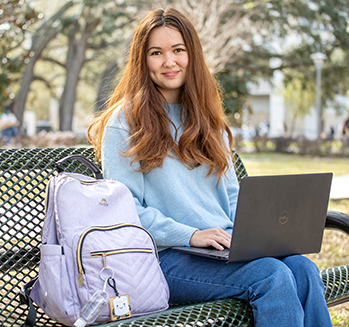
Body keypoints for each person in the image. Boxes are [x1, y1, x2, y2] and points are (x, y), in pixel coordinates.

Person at [88, 8, 332, 327]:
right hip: (163, 258)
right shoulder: (126, 121)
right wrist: (191, 235)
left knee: (304, 269)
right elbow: (126, 211)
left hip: (221, 251)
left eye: (178, 50)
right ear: (142, 60)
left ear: (192, 54)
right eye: (156, 53)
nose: (169, 62)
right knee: (272, 277)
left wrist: (258, 235)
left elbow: (231, 195)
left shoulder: (206, 119)